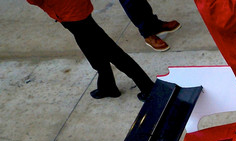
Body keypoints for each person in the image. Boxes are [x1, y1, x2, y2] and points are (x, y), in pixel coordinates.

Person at [27, 0, 155, 101]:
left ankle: (147, 87)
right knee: (91, 50)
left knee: (112, 52)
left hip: (70, 13)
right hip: (76, 8)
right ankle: (107, 86)